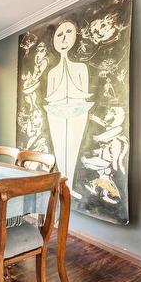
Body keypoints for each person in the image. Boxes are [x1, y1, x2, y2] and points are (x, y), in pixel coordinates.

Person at [44, 21, 93, 199]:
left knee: (73, 146)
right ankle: (62, 184)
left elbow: (84, 93)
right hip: (55, 111)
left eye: (68, 33)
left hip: (78, 109)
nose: (63, 38)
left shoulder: (81, 67)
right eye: (59, 35)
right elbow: (50, 95)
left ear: (75, 37)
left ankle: (69, 185)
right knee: (59, 146)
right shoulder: (52, 73)